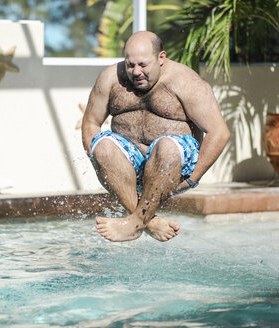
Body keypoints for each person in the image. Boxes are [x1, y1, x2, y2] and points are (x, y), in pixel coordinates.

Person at [82, 31, 230, 242]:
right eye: (130, 64)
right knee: (103, 146)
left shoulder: (186, 82)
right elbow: (90, 123)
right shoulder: (110, 79)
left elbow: (219, 132)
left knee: (166, 147)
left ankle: (135, 223)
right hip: (130, 167)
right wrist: (100, 161)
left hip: (173, 165)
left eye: (143, 65)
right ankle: (147, 222)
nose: (136, 72)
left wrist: (193, 179)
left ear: (161, 58)